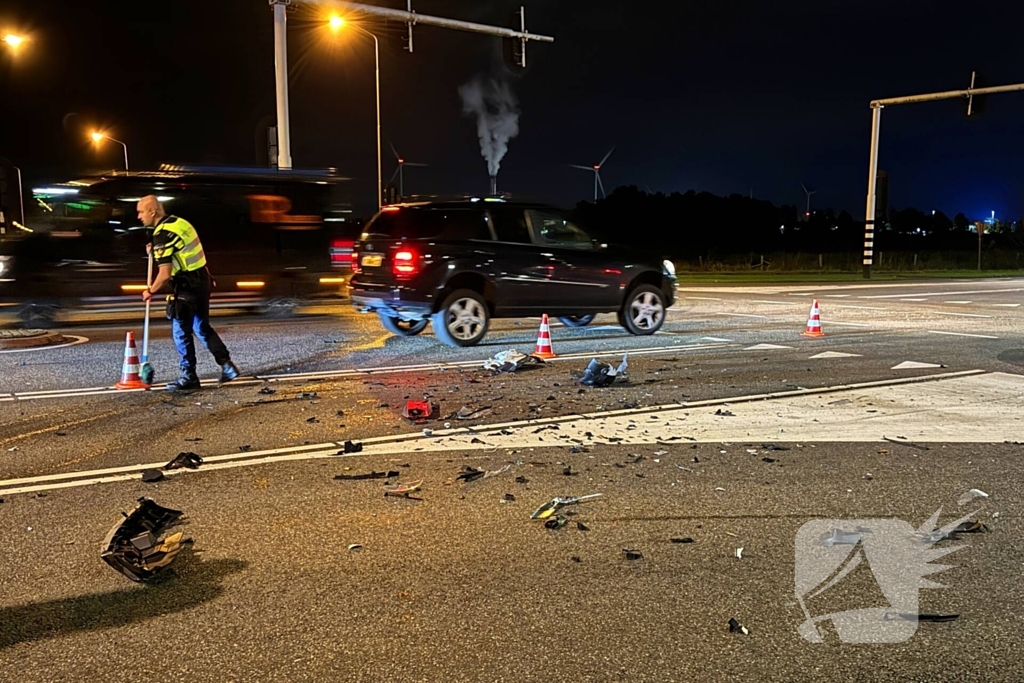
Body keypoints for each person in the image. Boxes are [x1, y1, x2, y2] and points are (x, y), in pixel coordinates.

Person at [137, 195, 240, 393]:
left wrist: (150, 291)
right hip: (202, 281)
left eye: (141, 212)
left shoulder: (162, 236)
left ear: (153, 211)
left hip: (185, 288)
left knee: (181, 332)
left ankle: (189, 376)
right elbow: (189, 253)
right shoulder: (180, 223)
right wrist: (156, 252)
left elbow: (165, 274)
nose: (139, 217)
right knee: (202, 327)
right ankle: (227, 366)